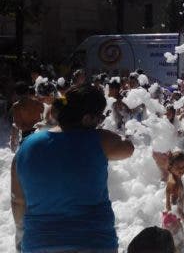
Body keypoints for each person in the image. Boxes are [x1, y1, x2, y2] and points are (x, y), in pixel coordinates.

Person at [11, 85, 134, 253]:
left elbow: (18, 201)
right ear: (88, 118)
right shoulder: (100, 140)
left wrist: (21, 237)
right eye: (99, 117)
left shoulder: (27, 146)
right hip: (94, 243)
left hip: (39, 244)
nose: (101, 121)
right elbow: (128, 149)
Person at [164, 151, 184, 249]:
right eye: (178, 168)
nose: (182, 170)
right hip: (173, 216)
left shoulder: (175, 177)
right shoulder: (174, 182)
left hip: (172, 216)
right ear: (171, 167)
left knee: (177, 237)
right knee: (177, 239)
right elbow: (173, 205)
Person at [10, 82, 44, 152]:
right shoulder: (38, 103)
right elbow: (44, 118)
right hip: (39, 133)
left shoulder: (16, 107)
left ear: (16, 94)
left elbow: (18, 125)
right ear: (28, 92)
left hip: (27, 137)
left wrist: (13, 141)